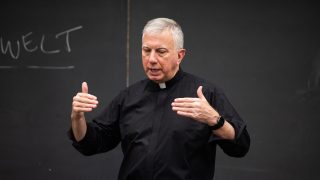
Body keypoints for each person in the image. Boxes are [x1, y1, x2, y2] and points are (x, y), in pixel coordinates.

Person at [69, 17, 250, 180]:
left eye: (161, 51)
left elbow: (241, 146)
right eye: (146, 50)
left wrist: (215, 121)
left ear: (180, 55)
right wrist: (77, 117)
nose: (152, 59)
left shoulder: (205, 94)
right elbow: (91, 143)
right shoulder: (128, 97)